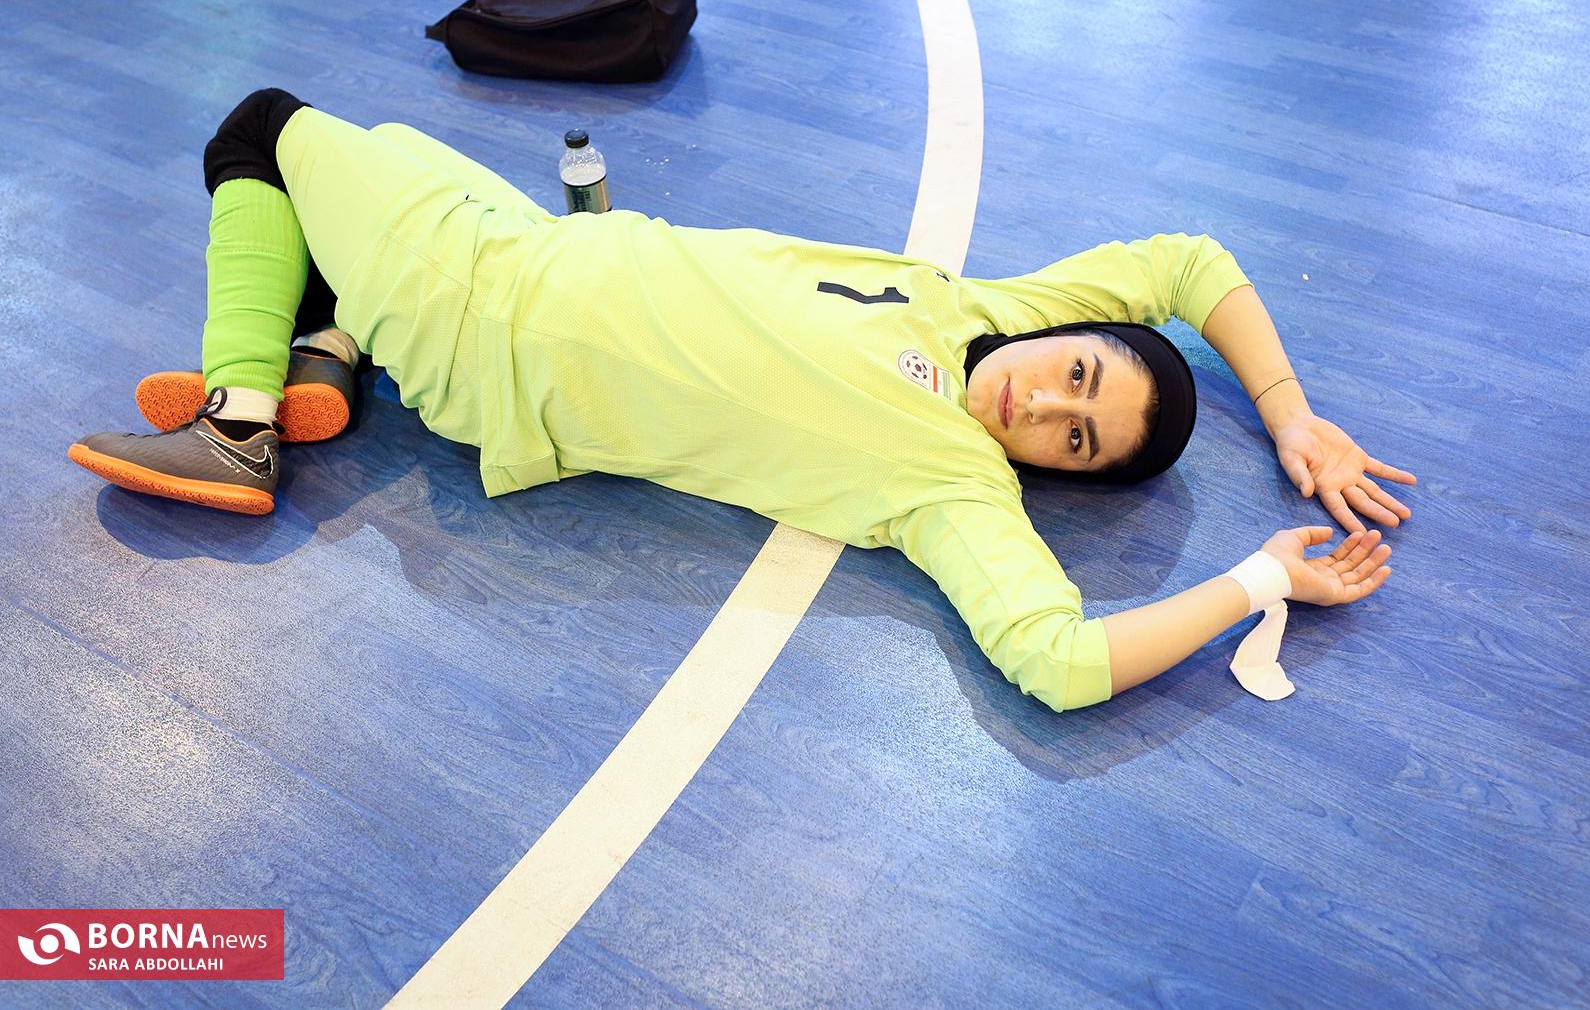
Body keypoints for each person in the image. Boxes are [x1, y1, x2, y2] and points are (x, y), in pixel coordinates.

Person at [69, 89, 1415, 710]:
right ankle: (327, 355)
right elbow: (1188, 263)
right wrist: (1290, 415)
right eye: (1080, 374)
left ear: (1058, 474)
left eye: (1077, 442)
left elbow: (1061, 663)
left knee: (263, 134)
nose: (1046, 409)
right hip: (532, 255)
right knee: (389, 149)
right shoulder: (985, 310)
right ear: (1070, 330)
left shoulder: (948, 485)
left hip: (490, 322)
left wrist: (1259, 580)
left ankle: (240, 422)